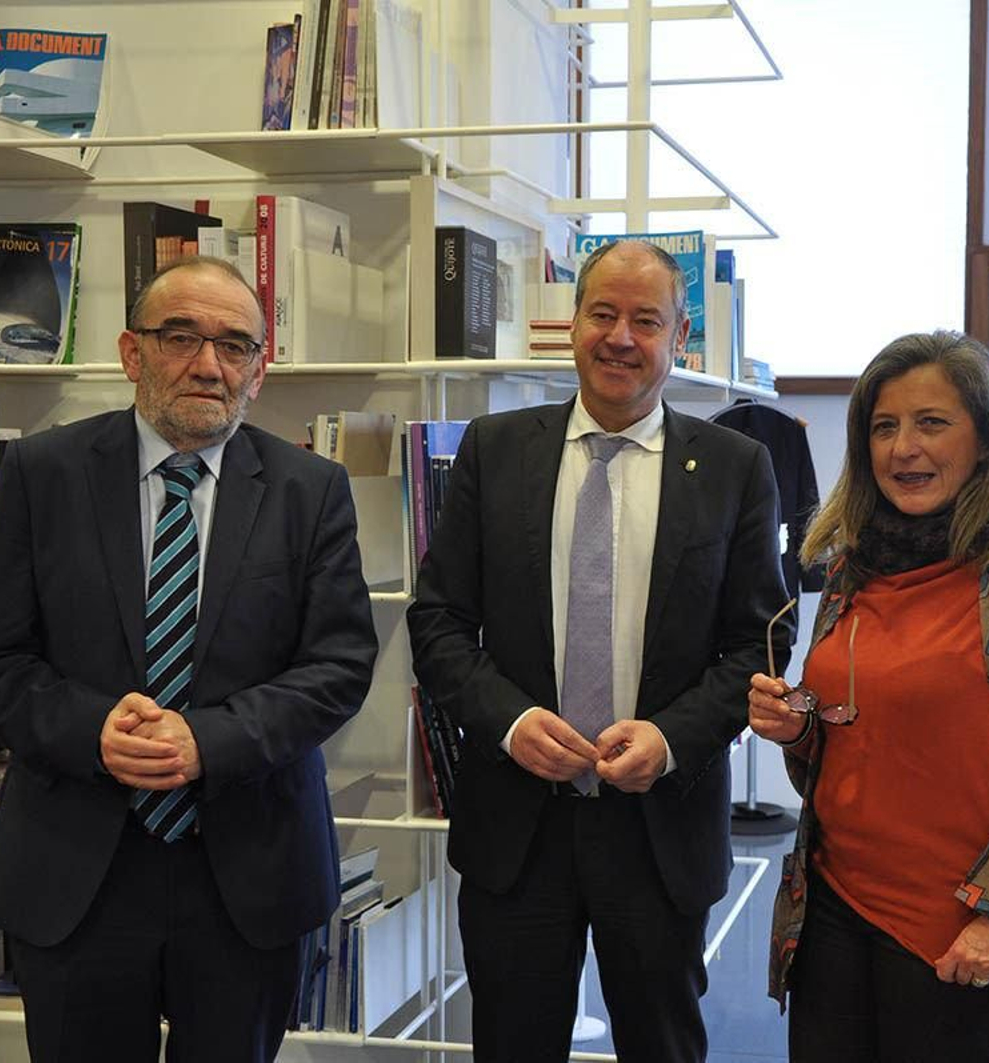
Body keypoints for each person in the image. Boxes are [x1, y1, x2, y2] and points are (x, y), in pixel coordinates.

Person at [0, 256, 378, 1062]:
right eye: (181, 336)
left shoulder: (311, 488)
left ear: (258, 371)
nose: (209, 365)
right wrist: (94, 730)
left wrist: (205, 740)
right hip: (76, 870)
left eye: (234, 345)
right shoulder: (43, 474)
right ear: (131, 351)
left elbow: (338, 667)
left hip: (247, 872)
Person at [406, 239, 789, 1062]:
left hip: (660, 831)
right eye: (603, 313)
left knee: (663, 1045)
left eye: (645, 320)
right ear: (572, 323)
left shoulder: (736, 468)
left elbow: (758, 644)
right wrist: (511, 723)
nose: (620, 337)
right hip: (517, 828)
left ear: (678, 337)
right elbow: (438, 623)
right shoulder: (493, 450)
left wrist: (671, 738)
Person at [749, 330, 989, 1062]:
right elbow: (853, 733)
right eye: (884, 426)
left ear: (984, 439)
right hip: (832, 909)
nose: (903, 448)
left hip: (956, 927)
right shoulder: (852, 565)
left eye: (931, 422)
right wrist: (797, 727)